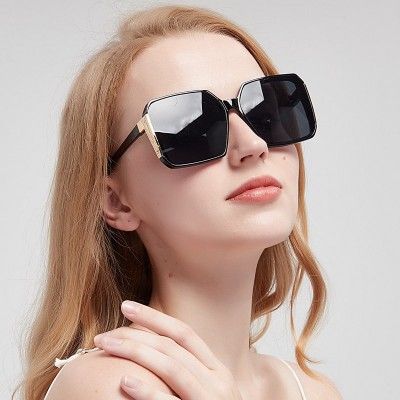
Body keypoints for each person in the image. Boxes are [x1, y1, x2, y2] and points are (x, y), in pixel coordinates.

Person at [17, 5, 342, 400]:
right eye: (192, 128)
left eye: (266, 110)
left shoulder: (315, 391)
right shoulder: (111, 386)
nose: (253, 144)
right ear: (117, 202)